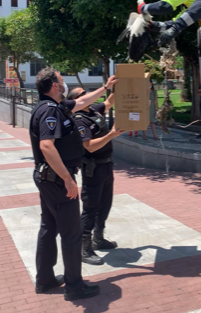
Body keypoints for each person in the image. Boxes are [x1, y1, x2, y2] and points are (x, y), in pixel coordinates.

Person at [30, 67, 118, 301]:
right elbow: (46, 147)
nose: (65, 83)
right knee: (71, 234)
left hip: (48, 178)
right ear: (56, 86)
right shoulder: (49, 111)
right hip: (58, 180)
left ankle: (45, 280)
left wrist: (106, 88)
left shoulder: (58, 107)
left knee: (48, 228)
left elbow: (83, 102)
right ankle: (75, 287)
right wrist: (68, 180)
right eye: (62, 80)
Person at [68, 87, 124, 265]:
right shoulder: (79, 119)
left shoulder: (93, 110)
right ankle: (85, 248)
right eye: (82, 94)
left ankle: (99, 239)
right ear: (76, 100)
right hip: (93, 168)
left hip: (106, 164)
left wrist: (117, 85)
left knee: (105, 204)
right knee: (90, 207)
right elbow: (89, 146)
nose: (87, 95)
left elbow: (109, 102)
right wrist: (112, 134)